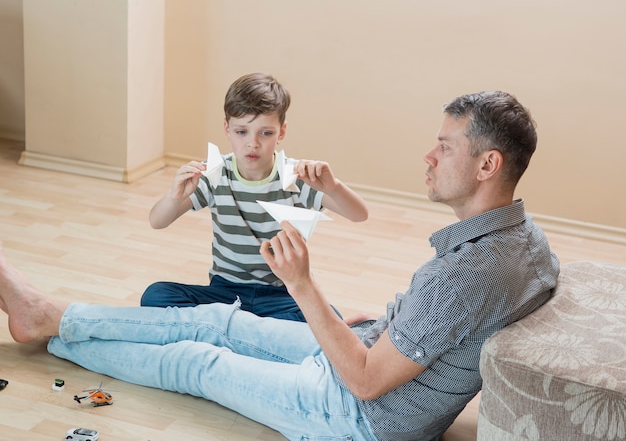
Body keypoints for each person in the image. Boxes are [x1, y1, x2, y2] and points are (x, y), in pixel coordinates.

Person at [0, 91, 559, 441]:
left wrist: (302, 284)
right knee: (216, 322)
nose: (428, 156)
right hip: (371, 355)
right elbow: (449, 323)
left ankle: (55, 332)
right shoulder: (527, 242)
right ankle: (48, 314)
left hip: (358, 415)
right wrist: (391, 325)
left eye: (445, 147)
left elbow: (366, 385)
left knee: (199, 362)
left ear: (488, 163)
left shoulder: (473, 271)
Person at [141, 72, 368, 321]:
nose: (253, 143)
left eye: (265, 133)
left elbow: (359, 214)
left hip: (281, 294)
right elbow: (157, 221)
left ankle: (232, 330)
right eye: (242, 132)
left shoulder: (295, 176)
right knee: (156, 295)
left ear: (281, 132)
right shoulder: (215, 174)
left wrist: (333, 186)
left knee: (327, 318)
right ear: (227, 129)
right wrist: (174, 197)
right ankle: (249, 332)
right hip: (224, 291)